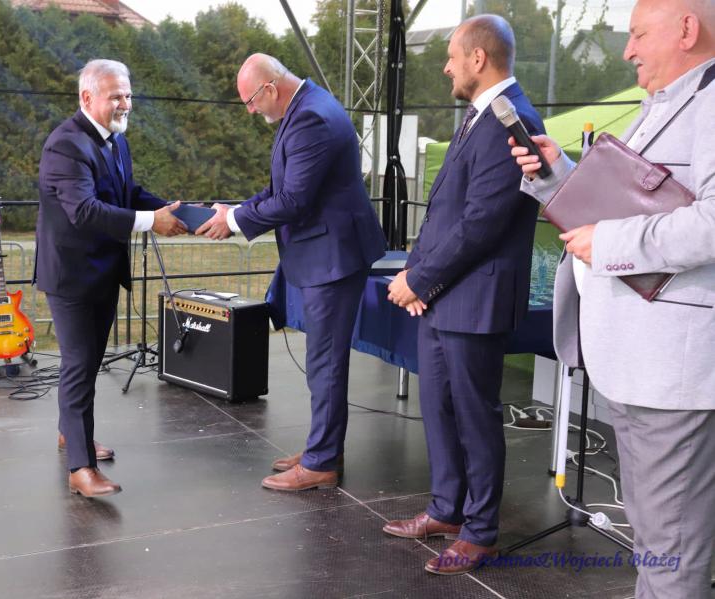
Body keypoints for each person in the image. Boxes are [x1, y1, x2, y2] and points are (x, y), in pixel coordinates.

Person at [511, 1, 715, 596]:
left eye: (638, 34)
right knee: (658, 543)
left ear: (687, 29)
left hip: (668, 374)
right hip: (637, 367)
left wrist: (611, 244)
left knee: (670, 553)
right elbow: (627, 202)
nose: (627, 51)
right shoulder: (670, 103)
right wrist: (558, 176)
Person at [382, 15, 544, 575]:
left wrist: (419, 280)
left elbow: (482, 224)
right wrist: (417, 276)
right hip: (446, 296)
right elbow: (444, 214)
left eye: (453, 56)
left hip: (476, 301)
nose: (446, 67)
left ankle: (480, 532)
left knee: (474, 417)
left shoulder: (511, 118)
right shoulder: (481, 115)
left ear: (479, 58)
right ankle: (447, 510)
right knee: (439, 409)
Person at [197, 53, 386, 492]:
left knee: (325, 362)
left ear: (270, 88)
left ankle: (321, 462)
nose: (251, 111)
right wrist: (235, 211)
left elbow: (293, 201)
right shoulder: (305, 107)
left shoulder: (310, 118)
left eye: (251, 102)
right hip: (329, 253)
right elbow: (280, 189)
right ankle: (324, 448)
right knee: (323, 361)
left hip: (333, 257)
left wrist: (235, 221)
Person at [35, 59, 186, 498]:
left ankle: (71, 435)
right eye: (116, 96)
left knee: (86, 362)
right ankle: (81, 468)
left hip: (101, 273)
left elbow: (126, 194)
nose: (126, 104)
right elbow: (84, 211)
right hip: (71, 278)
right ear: (87, 98)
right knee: (80, 365)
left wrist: (173, 211)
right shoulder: (65, 145)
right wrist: (151, 222)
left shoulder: (116, 140)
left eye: (128, 95)